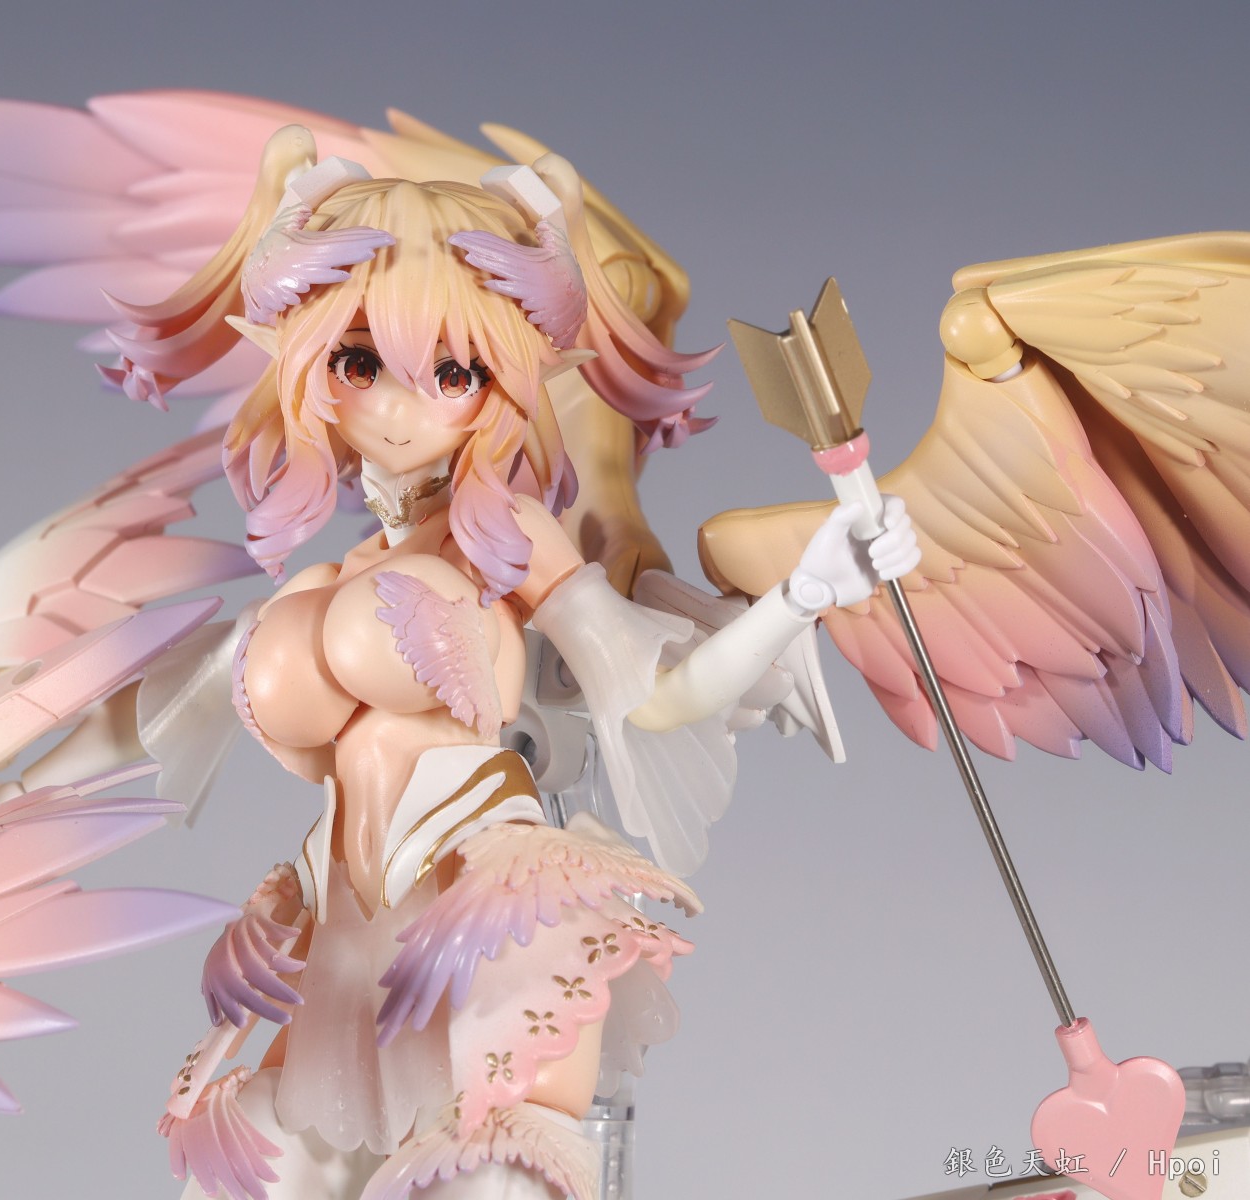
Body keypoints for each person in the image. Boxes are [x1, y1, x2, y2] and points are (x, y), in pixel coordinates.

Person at [117, 125, 919, 1200]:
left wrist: (803, 593)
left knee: (488, 1181)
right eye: (358, 362)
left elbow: (660, 698)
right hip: (344, 938)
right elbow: (165, 714)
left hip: (487, 925)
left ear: (504, 376)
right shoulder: (329, 574)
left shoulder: (508, 547)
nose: (396, 407)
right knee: (247, 1172)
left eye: (451, 372)